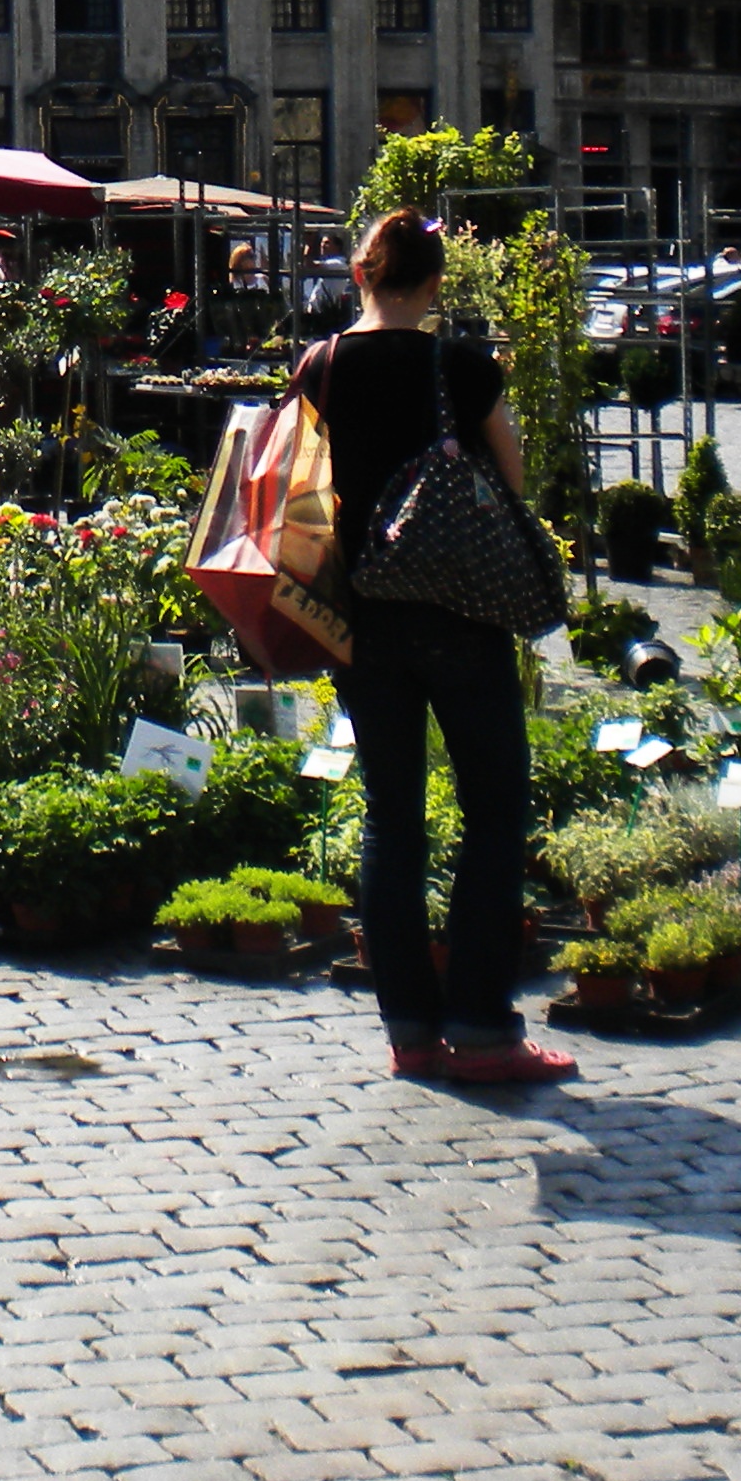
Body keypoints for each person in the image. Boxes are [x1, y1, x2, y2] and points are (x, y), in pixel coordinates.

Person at [311, 209, 571, 1086]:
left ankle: (412, 1032)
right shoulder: (459, 363)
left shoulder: (321, 365)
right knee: (494, 812)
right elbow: (513, 469)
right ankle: (483, 1030)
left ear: (361, 274)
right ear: (433, 283)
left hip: (365, 616)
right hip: (461, 611)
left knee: (392, 817)